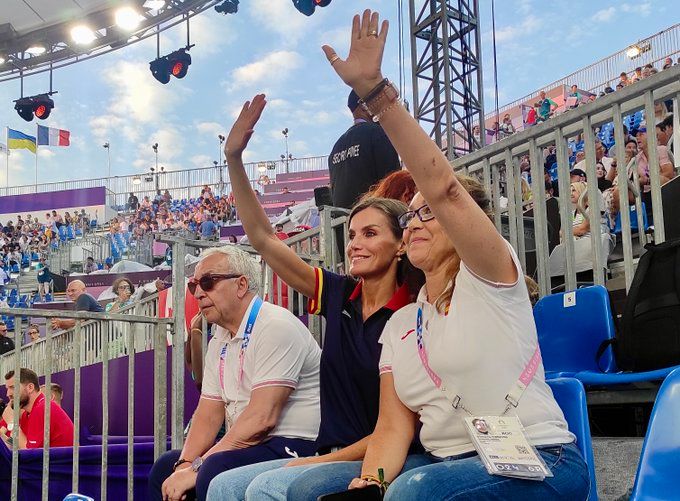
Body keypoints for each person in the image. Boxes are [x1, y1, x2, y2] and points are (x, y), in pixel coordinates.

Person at [302, 10, 587, 500]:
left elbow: (445, 189)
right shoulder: (400, 326)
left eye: (425, 213)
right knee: (322, 490)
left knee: (416, 492)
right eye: (408, 217)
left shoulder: (493, 278)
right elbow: (393, 428)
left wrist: (377, 96)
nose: (414, 222)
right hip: (444, 468)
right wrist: (368, 485)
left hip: (541, 461)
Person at [205, 93, 423, 500]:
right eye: (352, 234)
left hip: (389, 455)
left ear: (400, 245)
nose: (354, 244)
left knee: (269, 487)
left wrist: (312, 462)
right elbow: (263, 239)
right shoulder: (341, 294)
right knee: (223, 485)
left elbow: (399, 429)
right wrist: (233, 158)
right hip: (334, 453)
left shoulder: (415, 310)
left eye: (370, 234)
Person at [148, 246, 322, 501]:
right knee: (166, 466)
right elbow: (208, 413)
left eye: (207, 282)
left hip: (296, 444)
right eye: (193, 285)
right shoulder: (220, 337)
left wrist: (198, 466)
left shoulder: (275, 325)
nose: (198, 293)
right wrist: (185, 464)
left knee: (213, 469)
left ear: (241, 285)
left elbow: (262, 420)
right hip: (255, 443)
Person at [328, 90, 401, 209]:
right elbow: (394, 181)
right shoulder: (378, 133)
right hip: (375, 215)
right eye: (375, 101)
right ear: (363, 105)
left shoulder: (336, 147)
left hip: (348, 222)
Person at [0, 368, 74, 449]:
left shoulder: (44, 408)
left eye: (13, 387)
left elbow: (29, 453)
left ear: (30, 387)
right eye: (7, 388)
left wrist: (11, 423)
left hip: (59, 461)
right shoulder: (27, 413)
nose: (8, 394)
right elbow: (16, 445)